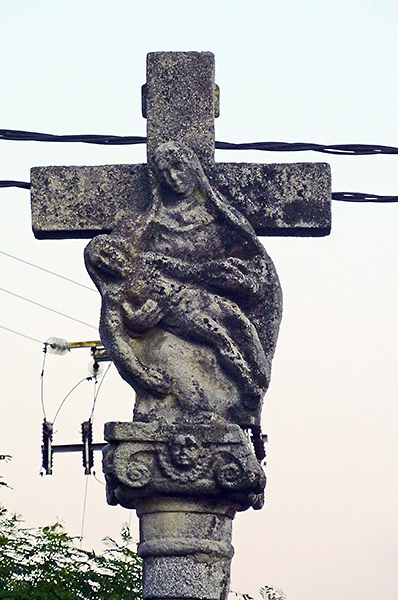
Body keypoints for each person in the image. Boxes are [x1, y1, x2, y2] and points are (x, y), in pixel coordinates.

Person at [85, 142, 282, 427]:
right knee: (218, 337)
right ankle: (246, 386)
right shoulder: (143, 234)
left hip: (204, 299)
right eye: (165, 174)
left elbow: (255, 274)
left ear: (193, 167)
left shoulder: (222, 220)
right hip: (174, 334)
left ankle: (255, 379)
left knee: (237, 323)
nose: (174, 179)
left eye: (178, 168)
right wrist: (142, 327)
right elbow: (116, 328)